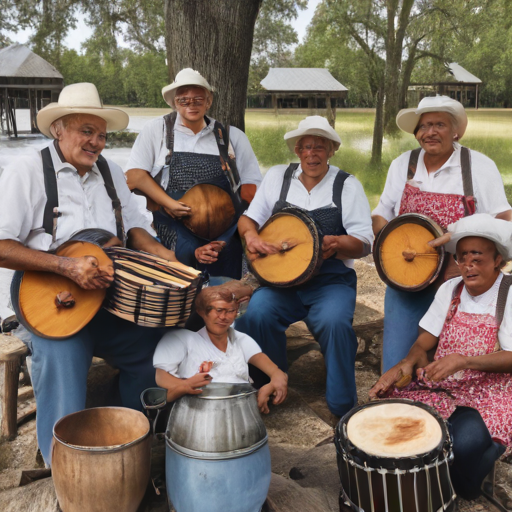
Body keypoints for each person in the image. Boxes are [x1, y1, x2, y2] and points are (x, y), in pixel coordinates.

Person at [0, 82, 178, 465]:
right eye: (86, 131)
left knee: (155, 360)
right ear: (58, 129)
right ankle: (63, 467)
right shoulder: (28, 171)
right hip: (49, 302)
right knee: (63, 364)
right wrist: (65, 266)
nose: (96, 142)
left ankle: (119, 430)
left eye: (101, 134)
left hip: (108, 298)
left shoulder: (111, 171)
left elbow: (136, 230)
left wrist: (171, 262)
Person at [235, 116, 374, 418]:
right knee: (257, 314)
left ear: (332, 150)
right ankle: (269, 385)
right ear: (297, 150)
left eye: (320, 147)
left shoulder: (346, 184)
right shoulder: (277, 176)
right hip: (280, 282)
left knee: (335, 324)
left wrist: (338, 243)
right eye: (307, 147)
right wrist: (251, 237)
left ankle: (342, 404)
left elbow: (364, 243)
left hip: (330, 281)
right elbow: (248, 219)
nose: (313, 153)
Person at [369, 214, 512, 499]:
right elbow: (425, 341)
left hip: (492, 392)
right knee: (396, 424)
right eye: (461, 258)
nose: (468, 265)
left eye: (477, 257)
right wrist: (405, 363)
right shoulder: (450, 289)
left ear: (498, 259)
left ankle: (480, 468)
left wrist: (464, 360)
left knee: (459, 446)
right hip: (442, 386)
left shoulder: (508, 294)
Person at [372, 95, 512, 372]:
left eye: (439, 125)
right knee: (398, 363)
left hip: (460, 282)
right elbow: (380, 213)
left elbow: (505, 220)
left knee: (452, 368)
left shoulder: (478, 166)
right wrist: (390, 244)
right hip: (406, 281)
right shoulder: (403, 164)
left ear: (456, 130)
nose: (430, 132)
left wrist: (458, 241)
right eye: (423, 126)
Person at [125, 68, 262, 281]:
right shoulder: (157, 130)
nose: (191, 105)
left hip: (225, 237)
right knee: (176, 295)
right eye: (184, 100)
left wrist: (232, 233)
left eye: (198, 99)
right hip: (173, 232)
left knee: (223, 300)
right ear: (174, 103)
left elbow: (252, 188)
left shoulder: (230, 136)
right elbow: (133, 177)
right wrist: (168, 203)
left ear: (209, 102)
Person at [153, 286, 288, 413]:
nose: (223, 317)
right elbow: (161, 377)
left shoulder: (241, 339)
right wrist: (186, 385)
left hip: (240, 412)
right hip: (196, 413)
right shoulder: (180, 339)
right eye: (218, 311)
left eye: (230, 311)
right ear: (202, 312)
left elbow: (277, 373)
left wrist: (269, 387)